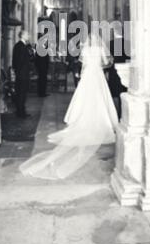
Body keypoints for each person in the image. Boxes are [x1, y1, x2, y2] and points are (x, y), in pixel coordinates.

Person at [20, 32, 118, 180]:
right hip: (97, 75)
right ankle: (101, 120)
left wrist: (82, 75)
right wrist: (99, 68)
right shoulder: (99, 50)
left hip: (88, 76)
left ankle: (83, 118)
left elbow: (84, 65)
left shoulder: (85, 49)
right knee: (100, 99)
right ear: (98, 40)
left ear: (88, 39)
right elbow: (106, 63)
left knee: (85, 98)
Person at [12, 30, 31, 118]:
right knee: (21, 93)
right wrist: (20, 72)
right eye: (27, 34)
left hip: (21, 73)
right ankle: (20, 113)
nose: (29, 36)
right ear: (22, 35)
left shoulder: (19, 45)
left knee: (21, 93)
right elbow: (19, 61)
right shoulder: (21, 46)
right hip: (22, 74)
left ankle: (21, 111)